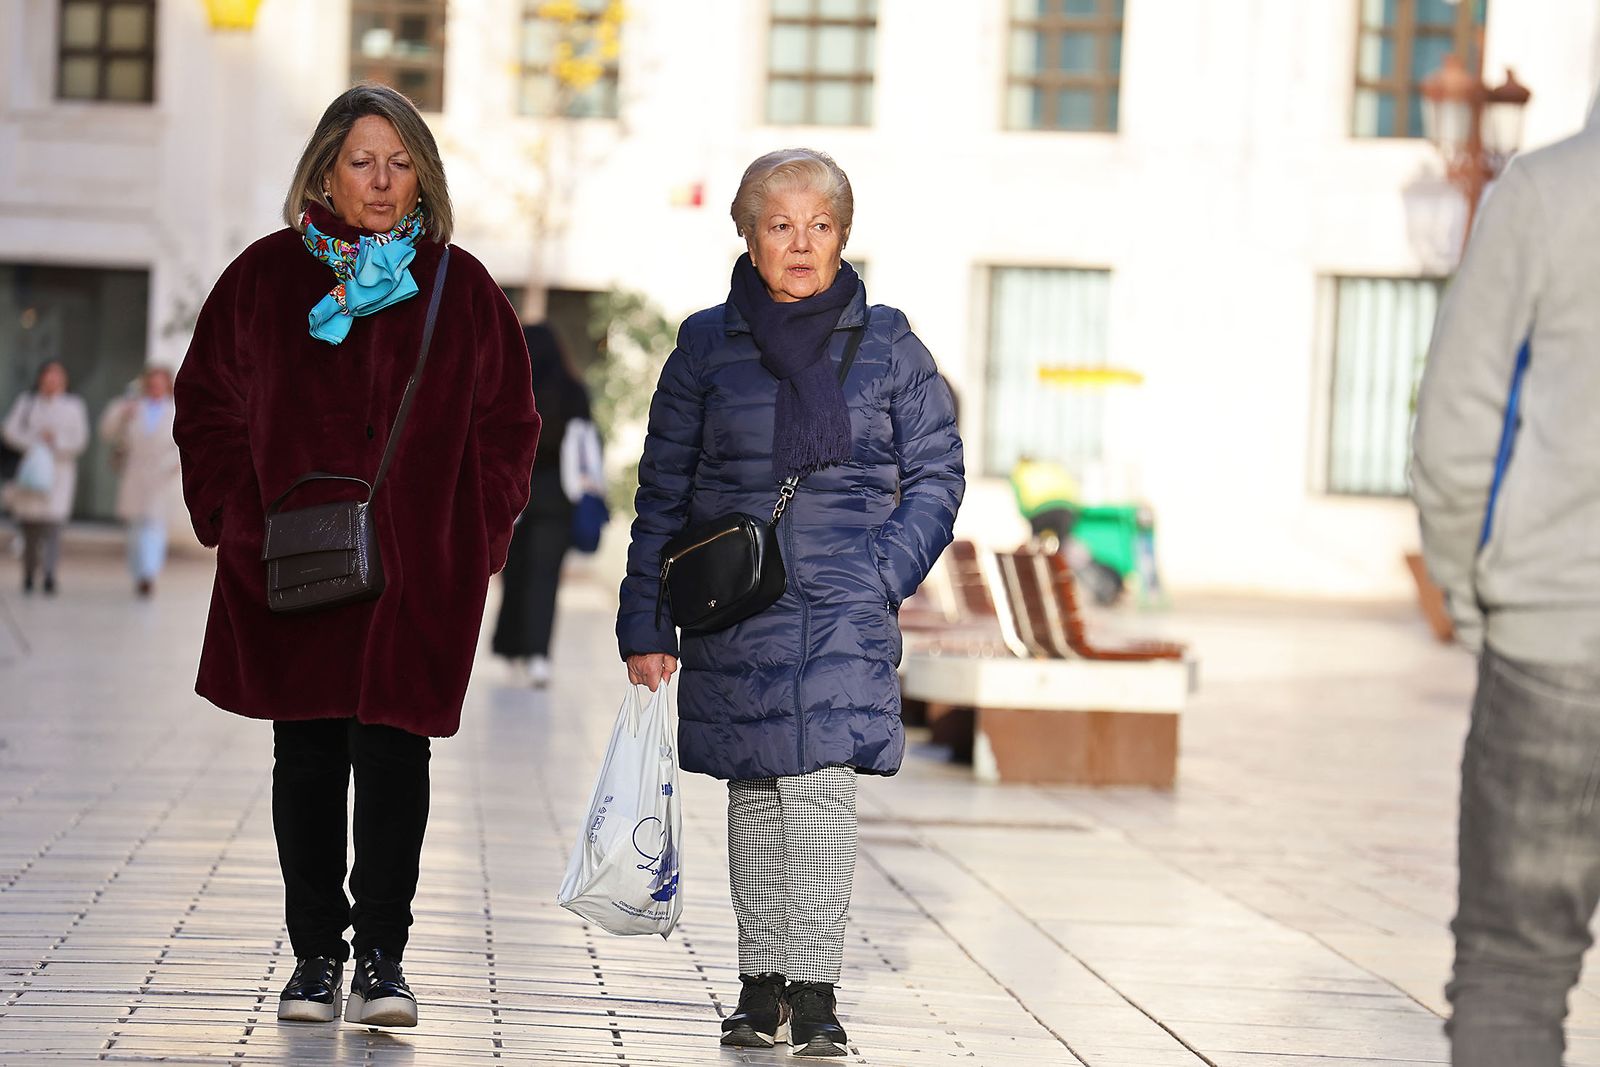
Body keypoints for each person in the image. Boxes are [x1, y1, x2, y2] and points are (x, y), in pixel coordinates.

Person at [173, 85, 538, 1030]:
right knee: (305, 754)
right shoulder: (263, 277)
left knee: (393, 754)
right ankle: (312, 957)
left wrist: (482, 533)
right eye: (362, 160)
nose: (381, 181)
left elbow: (509, 426)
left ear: (424, 172)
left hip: (417, 572)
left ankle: (382, 956)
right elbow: (207, 401)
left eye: (400, 161)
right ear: (327, 166)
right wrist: (229, 514)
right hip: (288, 565)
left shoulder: (463, 289)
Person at [616, 148, 964, 1058]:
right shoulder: (705, 345)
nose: (800, 243)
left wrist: (882, 572)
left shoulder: (889, 345)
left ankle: (814, 994)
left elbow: (937, 476)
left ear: (843, 235)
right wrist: (646, 619)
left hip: (843, 610)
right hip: (738, 605)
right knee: (757, 797)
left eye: (819, 224)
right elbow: (664, 491)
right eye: (780, 224)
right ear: (748, 235)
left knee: (817, 797)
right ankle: (759, 984)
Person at [1411, 97, 1600, 1066]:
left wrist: (1472, 587)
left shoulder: (1546, 190)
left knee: (1513, 965)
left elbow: (1455, 420)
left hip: (1555, 626)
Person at [491, 323, 596, 687]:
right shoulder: (573, 391)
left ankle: (509, 650)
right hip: (558, 497)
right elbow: (588, 440)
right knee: (544, 578)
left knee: (513, 573)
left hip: (515, 495)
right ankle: (538, 655)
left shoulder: (513, 390)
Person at [1, 361, 89, 595]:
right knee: (30, 527)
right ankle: (29, 572)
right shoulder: (27, 402)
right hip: (30, 472)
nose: (51, 380)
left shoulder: (73, 406)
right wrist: (34, 441)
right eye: (47, 375)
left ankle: (49, 573)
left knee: (53, 527)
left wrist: (56, 441)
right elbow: (9, 430)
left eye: (56, 376)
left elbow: (80, 439)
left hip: (59, 472)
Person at [99, 366, 180, 597]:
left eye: (160, 382)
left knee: (155, 526)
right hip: (134, 474)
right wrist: (121, 413)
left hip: (161, 476)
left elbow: (181, 445)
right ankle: (138, 572)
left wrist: (173, 465)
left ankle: (149, 574)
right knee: (135, 528)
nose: (155, 387)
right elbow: (107, 432)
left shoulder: (175, 410)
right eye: (152, 382)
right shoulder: (133, 407)